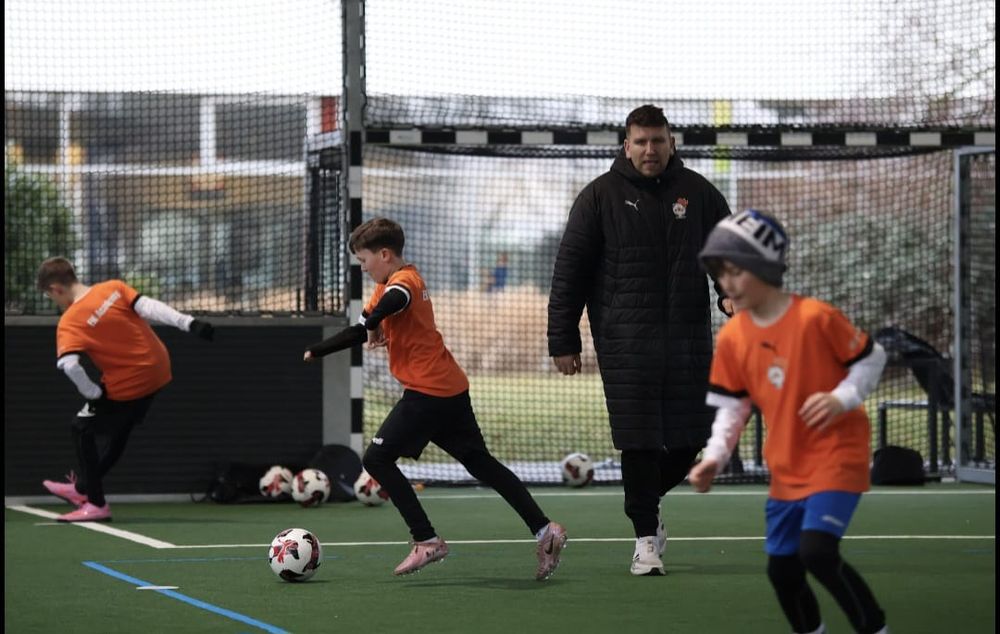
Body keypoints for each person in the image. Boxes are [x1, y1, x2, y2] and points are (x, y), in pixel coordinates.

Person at [304, 218, 567, 579]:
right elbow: (361, 326)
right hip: (450, 389)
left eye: (364, 260)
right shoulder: (383, 287)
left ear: (384, 254)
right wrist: (318, 350)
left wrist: (374, 323)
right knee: (480, 463)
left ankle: (426, 540)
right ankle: (545, 531)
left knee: (377, 458)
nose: (362, 267)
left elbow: (399, 300)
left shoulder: (405, 281)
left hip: (428, 393)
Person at [547, 104, 733, 575]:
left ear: (672, 142)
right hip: (625, 344)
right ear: (626, 145)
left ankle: (645, 504)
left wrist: (729, 296)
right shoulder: (598, 197)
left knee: (698, 435)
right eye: (641, 141)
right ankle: (645, 541)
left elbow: (729, 256)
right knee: (640, 442)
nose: (650, 149)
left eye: (658, 140)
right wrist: (562, 339)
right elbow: (569, 273)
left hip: (690, 342)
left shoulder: (700, 194)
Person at [689, 209, 889, 634]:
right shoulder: (732, 337)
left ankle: (875, 629)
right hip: (787, 464)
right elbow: (732, 406)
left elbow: (872, 358)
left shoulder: (816, 317)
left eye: (735, 271)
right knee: (782, 571)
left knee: (816, 552)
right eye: (720, 273)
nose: (726, 283)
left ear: (765, 267)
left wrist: (842, 397)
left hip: (837, 454)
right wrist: (716, 456)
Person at [38, 257, 214, 522]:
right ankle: (83, 487)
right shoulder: (112, 288)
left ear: (56, 289)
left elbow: (70, 365)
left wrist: (93, 394)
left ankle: (94, 502)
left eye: (52, 297)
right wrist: (188, 323)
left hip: (130, 381)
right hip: (159, 369)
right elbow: (150, 307)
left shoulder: (70, 321)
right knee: (120, 430)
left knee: (81, 428)